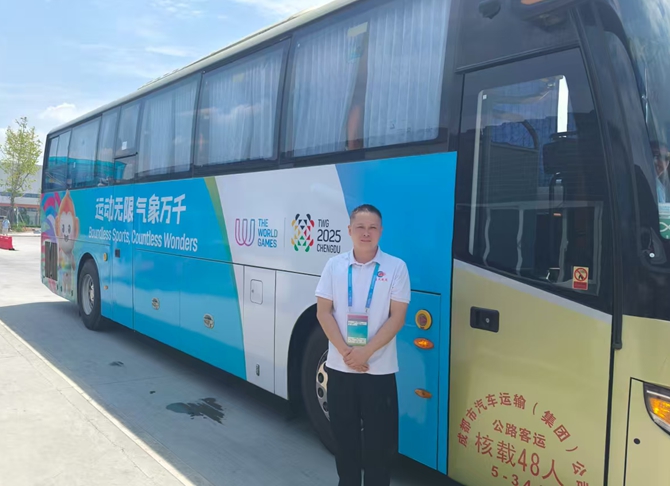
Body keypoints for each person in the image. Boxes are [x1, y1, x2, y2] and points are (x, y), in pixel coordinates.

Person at [315, 204, 410, 486]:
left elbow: (398, 317)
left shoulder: (396, 267)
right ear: (349, 230)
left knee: (380, 443)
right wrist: (347, 353)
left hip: (378, 370)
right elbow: (323, 312)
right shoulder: (334, 265)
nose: (366, 233)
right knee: (344, 440)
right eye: (360, 227)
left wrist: (365, 353)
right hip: (340, 368)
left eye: (372, 228)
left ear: (381, 231)